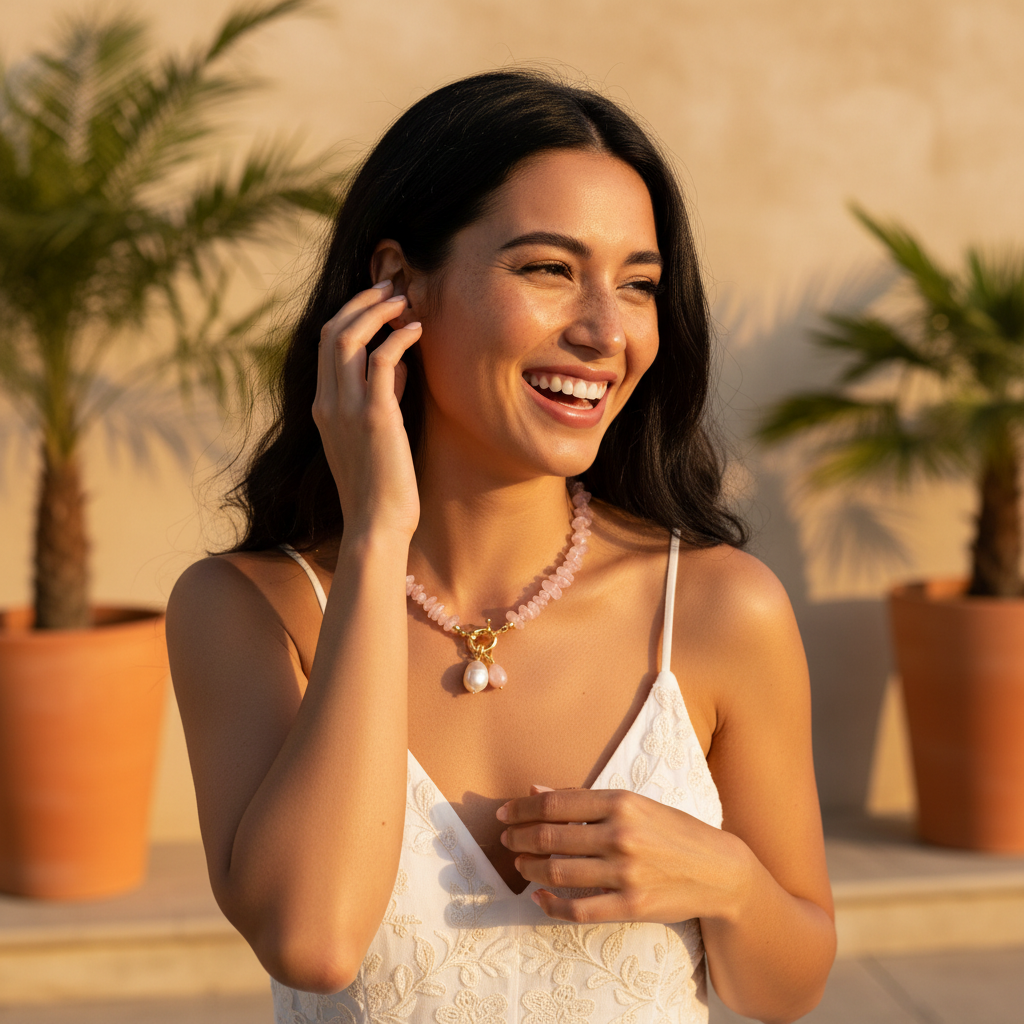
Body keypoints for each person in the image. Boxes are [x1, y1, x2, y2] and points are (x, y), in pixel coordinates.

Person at [167, 69, 836, 1024]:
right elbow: (312, 943)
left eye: (638, 284)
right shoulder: (245, 611)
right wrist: (374, 539)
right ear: (397, 285)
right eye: (549, 269)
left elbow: (790, 990)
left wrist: (725, 880)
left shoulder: (725, 608)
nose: (607, 331)